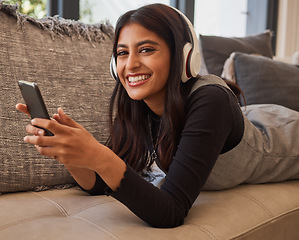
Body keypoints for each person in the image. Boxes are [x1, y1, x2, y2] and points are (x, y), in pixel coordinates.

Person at [16, 3, 299, 228]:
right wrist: (72, 154)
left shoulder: (211, 99)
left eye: (147, 49)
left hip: (285, 135)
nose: (131, 64)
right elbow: (102, 183)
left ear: (184, 56)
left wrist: (98, 155)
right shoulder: (138, 105)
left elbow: (170, 212)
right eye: (122, 53)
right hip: (244, 121)